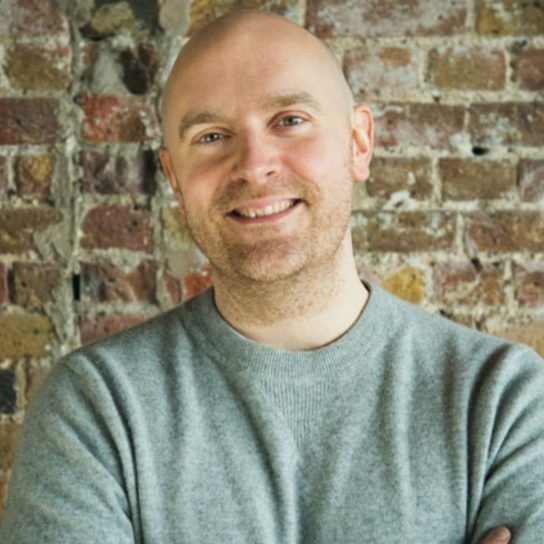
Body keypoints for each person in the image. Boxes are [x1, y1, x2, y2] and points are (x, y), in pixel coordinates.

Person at [1, 9, 542, 543]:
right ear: (174, 178)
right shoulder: (97, 409)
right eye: (212, 136)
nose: (254, 164)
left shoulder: (503, 402)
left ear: (358, 142)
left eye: (289, 120)